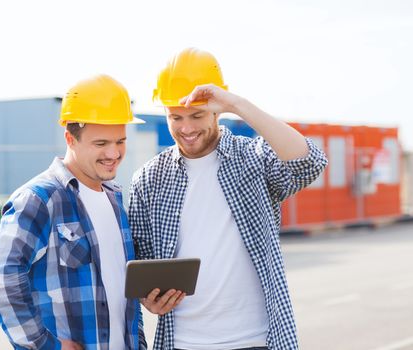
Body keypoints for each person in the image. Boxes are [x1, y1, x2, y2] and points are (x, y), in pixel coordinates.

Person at [129, 48, 328, 350]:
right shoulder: (149, 178)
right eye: (176, 117)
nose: (186, 128)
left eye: (197, 115)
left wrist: (237, 103)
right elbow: (142, 261)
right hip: (182, 342)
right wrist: (150, 299)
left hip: (255, 340)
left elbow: (310, 162)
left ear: (216, 109)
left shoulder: (253, 157)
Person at [0, 74, 147, 350]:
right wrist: (45, 345)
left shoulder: (115, 199)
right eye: (101, 144)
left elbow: (120, 287)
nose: (114, 153)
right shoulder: (40, 199)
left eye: (120, 141)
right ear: (71, 138)